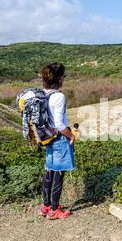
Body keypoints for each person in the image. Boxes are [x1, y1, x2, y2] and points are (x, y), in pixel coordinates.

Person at [39, 62, 76, 220]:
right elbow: (60, 124)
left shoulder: (42, 93)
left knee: (49, 171)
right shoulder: (59, 96)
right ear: (60, 78)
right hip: (59, 137)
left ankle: (46, 206)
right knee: (59, 174)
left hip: (46, 137)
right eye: (64, 76)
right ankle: (55, 209)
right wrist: (71, 136)